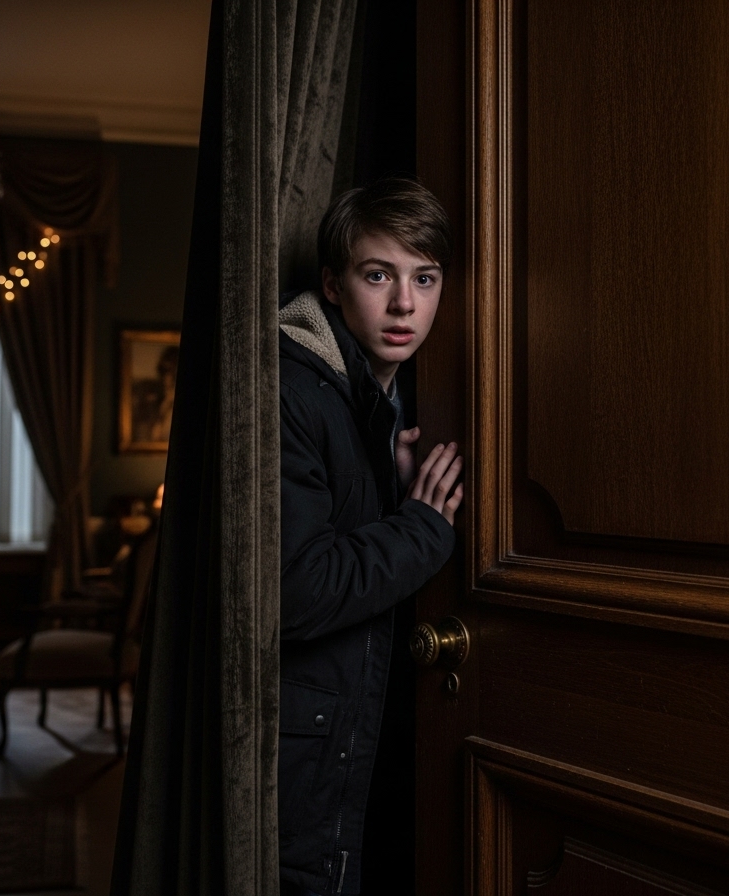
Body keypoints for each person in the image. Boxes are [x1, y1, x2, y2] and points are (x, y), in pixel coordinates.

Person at [278, 177, 464, 896]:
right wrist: (419, 525)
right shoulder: (297, 387)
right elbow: (298, 590)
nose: (404, 305)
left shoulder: (372, 395)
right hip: (308, 745)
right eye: (377, 275)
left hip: (356, 730)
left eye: (425, 278)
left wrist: (392, 479)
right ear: (332, 285)